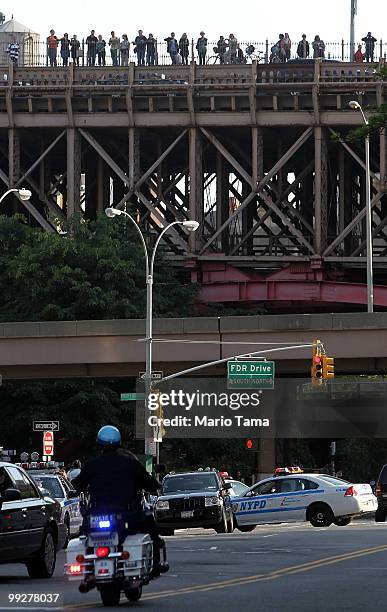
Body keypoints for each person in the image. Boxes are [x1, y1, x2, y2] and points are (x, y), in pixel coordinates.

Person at [73, 425, 163, 576]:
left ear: (99, 443)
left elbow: (77, 485)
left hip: (97, 517)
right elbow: (151, 484)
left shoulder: (92, 465)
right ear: (119, 443)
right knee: (151, 525)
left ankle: (88, 569)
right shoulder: (130, 464)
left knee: (85, 532)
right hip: (127, 515)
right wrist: (153, 485)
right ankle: (155, 566)